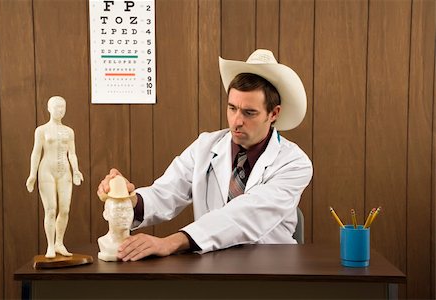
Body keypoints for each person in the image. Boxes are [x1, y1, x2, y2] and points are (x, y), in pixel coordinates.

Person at [97, 49, 312, 262]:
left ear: (273, 113)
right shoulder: (205, 146)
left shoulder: (294, 163)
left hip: (272, 272)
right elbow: (166, 192)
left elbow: (245, 215)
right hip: (212, 268)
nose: (236, 121)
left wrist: (172, 242)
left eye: (249, 113)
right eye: (232, 108)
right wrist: (127, 199)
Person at [26, 96, 84, 258]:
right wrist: (32, 174)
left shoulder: (69, 131)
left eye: (63, 107)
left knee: (65, 210)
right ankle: (50, 245)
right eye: (57, 107)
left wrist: (76, 170)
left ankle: (59, 242)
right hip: (46, 171)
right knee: (51, 210)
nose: (61, 110)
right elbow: (36, 153)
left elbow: (72, 153)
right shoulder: (41, 130)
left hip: (65, 171)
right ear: (49, 108)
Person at [98, 176, 136, 261]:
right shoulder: (104, 243)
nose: (124, 215)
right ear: (106, 214)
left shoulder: (135, 244)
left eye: (128, 210)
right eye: (118, 210)